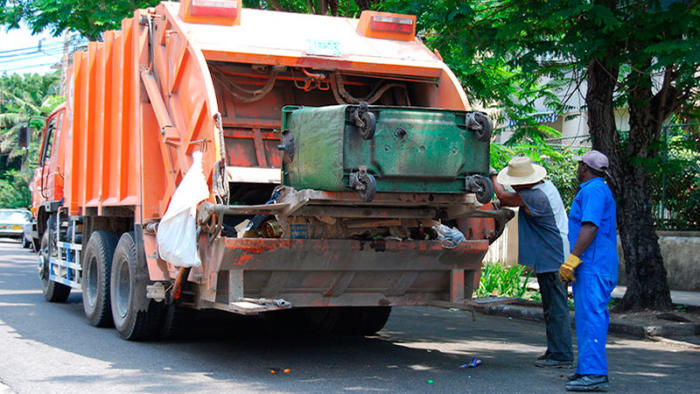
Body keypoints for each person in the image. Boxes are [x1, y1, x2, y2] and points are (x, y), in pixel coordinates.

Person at [490, 157, 573, 368]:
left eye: (515, 181)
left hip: (553, 257)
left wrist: (490, 174)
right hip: (554, 255)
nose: (514, 185)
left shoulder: (535, 196)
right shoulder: (545, 187)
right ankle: (555, 350)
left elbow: (503, 197)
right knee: (552, 307)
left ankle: (561, 355)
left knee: (556, 308)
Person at [559, 150, 618, 392]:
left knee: (591, 317)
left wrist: (573, 258)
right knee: (586, 318)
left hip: (593, 265)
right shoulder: (598, 189)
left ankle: (594, 373)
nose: (577, 169)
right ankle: (587, 369)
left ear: (584, 167)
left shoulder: (593, 191)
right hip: (595, 264)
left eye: (579, 165)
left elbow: (590, 226)